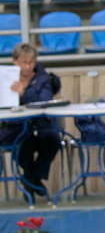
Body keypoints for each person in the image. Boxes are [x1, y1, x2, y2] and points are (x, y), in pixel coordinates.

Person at [0, 43, 61, 199]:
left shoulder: (43, 78)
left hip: (41, 125)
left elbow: (45, 100)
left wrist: (24, 93)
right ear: (15, 61)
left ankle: (31, 178)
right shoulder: (5, 77)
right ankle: (33, 181)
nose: (28, 66)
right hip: (14, 126)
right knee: (24, 142)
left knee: (53, 140)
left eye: (31, 62)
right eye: (24, 62)